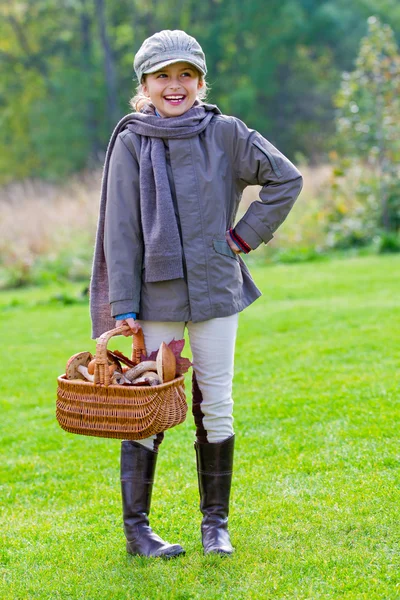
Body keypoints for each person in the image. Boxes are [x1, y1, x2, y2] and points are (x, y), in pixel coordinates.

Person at [90, 29, 303, 559]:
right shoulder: (132, 142)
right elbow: (121, 230)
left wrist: (243, 235)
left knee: (218, 401)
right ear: (144, 85)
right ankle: (138, 531)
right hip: (154, 295)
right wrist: (125, 309)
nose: (175, 85)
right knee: (144, 408)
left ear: (201, 81)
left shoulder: (226, 133)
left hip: (215, 288)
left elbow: (286, 179)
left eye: (185, 74)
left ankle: (216, 527)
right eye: (162, 76)